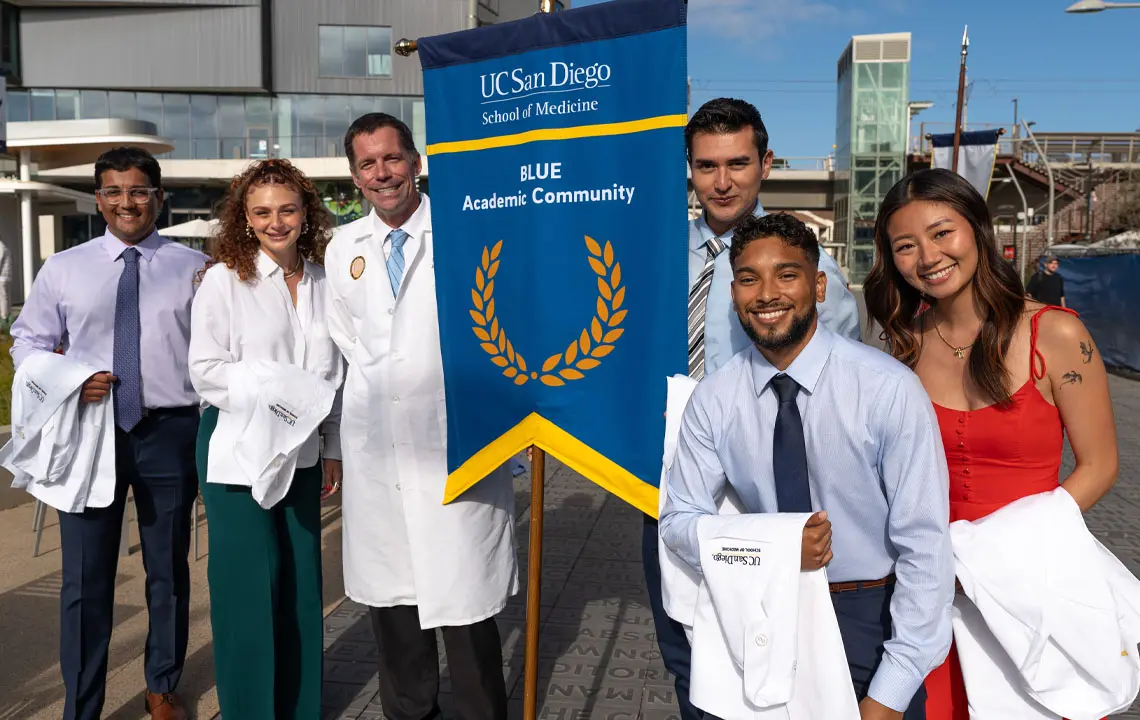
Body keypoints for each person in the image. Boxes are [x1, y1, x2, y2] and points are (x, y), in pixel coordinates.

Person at [660, 212, 954, 720]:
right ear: (733, 295)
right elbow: (677, 521)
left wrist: (892, 688)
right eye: (748, 279)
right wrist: (772, 548)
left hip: (867, 619)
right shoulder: (714, 399)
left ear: (818, 285)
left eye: (787, 275)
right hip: (761, 607)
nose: (767, 293)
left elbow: (925, 547)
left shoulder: (887, 389)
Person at [863, 168, 1118, 720]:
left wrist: (992, 552)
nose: (927, 256)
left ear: (976, 229)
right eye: (905, 246)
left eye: (941, 233)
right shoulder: (901, 347)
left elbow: (1099, 467)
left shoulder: (1057, 334)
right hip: (929, 592)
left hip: (1030, 584)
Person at [645, 96, 863, 720]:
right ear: (689, 168)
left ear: (766, 163)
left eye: (738, 163)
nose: (722, 181)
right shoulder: (654, 261)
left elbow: (839, 390)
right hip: (671, 481)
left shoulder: (808, 272)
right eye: (706, 165)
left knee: (775, 653)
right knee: (685, 648)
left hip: (767, 491)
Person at [324, 112, 516, 720]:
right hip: (379, 450)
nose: (382, 174)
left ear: (416, 160)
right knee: (396, 621)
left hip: (456, 443)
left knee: (466, 616)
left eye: (392, 159)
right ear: (355, 176)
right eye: (367, 164)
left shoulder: (465, 232)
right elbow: (347, 340)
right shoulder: (341, 248)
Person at [10, 147, 206, 720]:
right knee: (84, 578)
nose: (128, 202)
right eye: (115, 191)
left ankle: (162, 685)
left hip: (170, 429)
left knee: (167, 569)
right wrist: (71, 380)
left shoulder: (194, 267)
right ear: (99, 199)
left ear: (158, 197)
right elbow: (28, 342)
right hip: (88, 431)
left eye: (139, 191)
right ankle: (83, 703)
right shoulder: (63, 268)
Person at [188, 159, 344, 719]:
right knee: (248, 587)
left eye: (287, 209)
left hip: (305, 448)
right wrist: (280, 390)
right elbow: (205, 369)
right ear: (244, 219)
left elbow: (338, 371)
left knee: (303, 582)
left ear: (307, 213)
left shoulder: (327, 280)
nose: (275, 222)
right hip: (238, 450)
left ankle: (301, 709)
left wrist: (331, 446)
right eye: (262, 212)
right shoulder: (227, 279)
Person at [0, 237, 12, 331]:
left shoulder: (1, 247)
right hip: (6, 276)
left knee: (3, 298)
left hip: (2, 277)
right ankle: (7, 316)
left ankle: (4, 317)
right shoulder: (4, 247)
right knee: (5, 297)